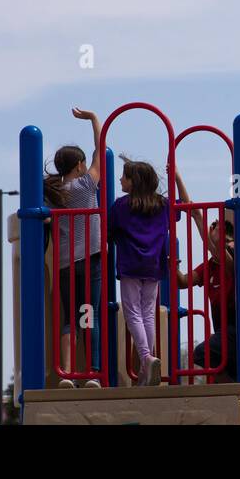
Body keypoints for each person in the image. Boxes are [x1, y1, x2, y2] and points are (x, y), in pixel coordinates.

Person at [44, 107, 105, 389]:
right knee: (89, 313)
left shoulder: (53, 193)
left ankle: (67, 373)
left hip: (65, 263)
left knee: (69, 318)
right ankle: (92, 372)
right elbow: (100, 150)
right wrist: (93, 119)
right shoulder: (86, 185)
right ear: (80, 165)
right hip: (91, 259)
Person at [108, 157, 170, 387]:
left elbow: (109, 229)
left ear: (133, 181)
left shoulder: (121, 205)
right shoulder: (162, 204)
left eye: (124, 176)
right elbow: (179, 211)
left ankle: (146, 358)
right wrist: (176, 177)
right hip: (154, 264)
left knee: (133, 312)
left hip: (130, 263)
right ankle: (146, 370)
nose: (120, 179)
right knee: (148, 313)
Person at [173, 171, 237, 382]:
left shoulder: (234, 258)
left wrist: (217, 240)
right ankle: (231, 385)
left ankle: (231, 386)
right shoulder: (209, 266)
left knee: (203, 353)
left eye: (216, 226)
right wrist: (171, 264)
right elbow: (183, 282)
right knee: (216, 362)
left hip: (238, 330)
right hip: (222, 333)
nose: (212, 228)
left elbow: (221, 254)